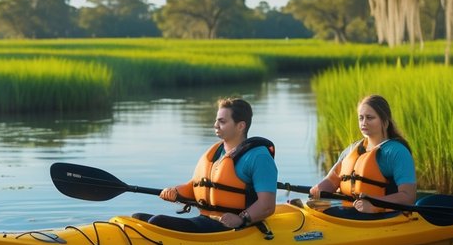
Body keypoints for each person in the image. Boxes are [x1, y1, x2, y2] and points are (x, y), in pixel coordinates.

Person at [136, 97, 278, 233]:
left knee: (157, 221)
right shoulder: (215, 153)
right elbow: (198, 187)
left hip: (232, 226)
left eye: (222, 121)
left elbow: (267, 206)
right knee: (138, 218)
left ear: (240, 126)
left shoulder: (259, 157)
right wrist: (176, 192)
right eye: (216, 120)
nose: (215, 125)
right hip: (206, 220)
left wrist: (241, 219)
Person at [309, 94, 416, 218]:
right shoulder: (352, 149)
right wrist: (319, 189)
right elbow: (332, 180)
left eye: (370, 118)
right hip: (349, 211)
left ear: (385, 122)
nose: (364, 122)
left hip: (384, 215)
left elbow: (408, 196)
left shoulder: (397, 152)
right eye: (361, 118)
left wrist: (375, 205)